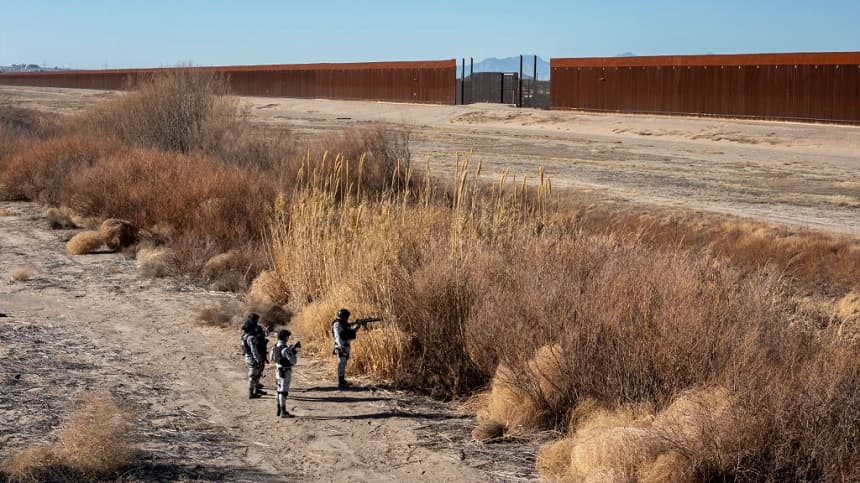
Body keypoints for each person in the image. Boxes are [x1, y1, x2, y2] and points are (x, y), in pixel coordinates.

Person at [271, 329, 300, 418]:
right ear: (285, 338)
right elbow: (293, 361)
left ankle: (279, 410)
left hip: (278, 370)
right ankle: (283, 411)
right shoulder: (285, 349)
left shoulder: (274, 347)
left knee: (279, 390)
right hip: (285, 371)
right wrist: (293, 351)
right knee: (283, 392)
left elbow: (272, 358)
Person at [331, 308, 359, 389]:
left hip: (345, 346)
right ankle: (341, 382)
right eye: (346, 317)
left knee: (343, 363)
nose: (347, 318)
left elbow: (348, 333)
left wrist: (357, 327)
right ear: (343, 316)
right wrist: (340, 347)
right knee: (341, 363)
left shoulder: (343, 324)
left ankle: (342, 381)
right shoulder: (337, 324)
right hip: (341, 346)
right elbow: (338, 336)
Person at [240, 313, 265, 399]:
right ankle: (251, 393)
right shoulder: (251, 338)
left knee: (256, 374)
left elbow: (243, 348)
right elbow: (254, 350)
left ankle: (256, 390)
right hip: (252, 358)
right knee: (252, 376)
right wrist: (258, 359)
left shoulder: (244, 336)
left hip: (247, 357)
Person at [254, 324, 270, 393]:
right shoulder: (260, 338)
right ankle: (256, 385)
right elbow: (262, 349)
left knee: (258, 370)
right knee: (259, 370)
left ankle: (256, 384)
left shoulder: (254, 337)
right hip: (260, 356)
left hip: (257, 356)